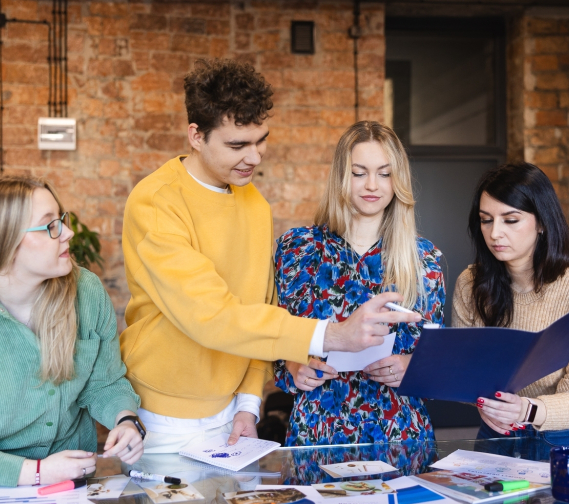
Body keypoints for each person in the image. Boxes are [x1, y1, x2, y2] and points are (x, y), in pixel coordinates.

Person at [120, 59, 419, 453]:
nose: (254, 157)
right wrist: (331, 335)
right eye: (237, 145)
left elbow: (260, 306)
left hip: (233, 412)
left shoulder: (255, 204)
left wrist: (248, 403)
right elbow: (211, 316)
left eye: (260, 140)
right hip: (163, 413)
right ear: (195, 136)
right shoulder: (156, 203)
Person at [0, 177, 145, 487]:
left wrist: (125, 419)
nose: (68, 232)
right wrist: (37, 472)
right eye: (50, 227)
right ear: (6, 242)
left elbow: (104, 382)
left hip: (70, 488)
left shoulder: (87, 292)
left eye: (62, 219)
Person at [273, 121, 445, 445]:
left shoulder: (425, 259)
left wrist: (411, 366)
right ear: (342, 176)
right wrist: (294, 366)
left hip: (401, 432)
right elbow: (274, 336)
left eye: (384, 173)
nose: (372, 185)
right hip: (318, 431)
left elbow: (437, 357)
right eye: (359, 172)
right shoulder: (297, 248)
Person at [452, 162, 569, 473]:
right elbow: (467, 376)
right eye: (486, 220)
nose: (495, 233)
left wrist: (525, 409)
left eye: (511, 220)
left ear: (542, 223)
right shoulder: (470, 283)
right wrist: (485, 404)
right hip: (498, 435)